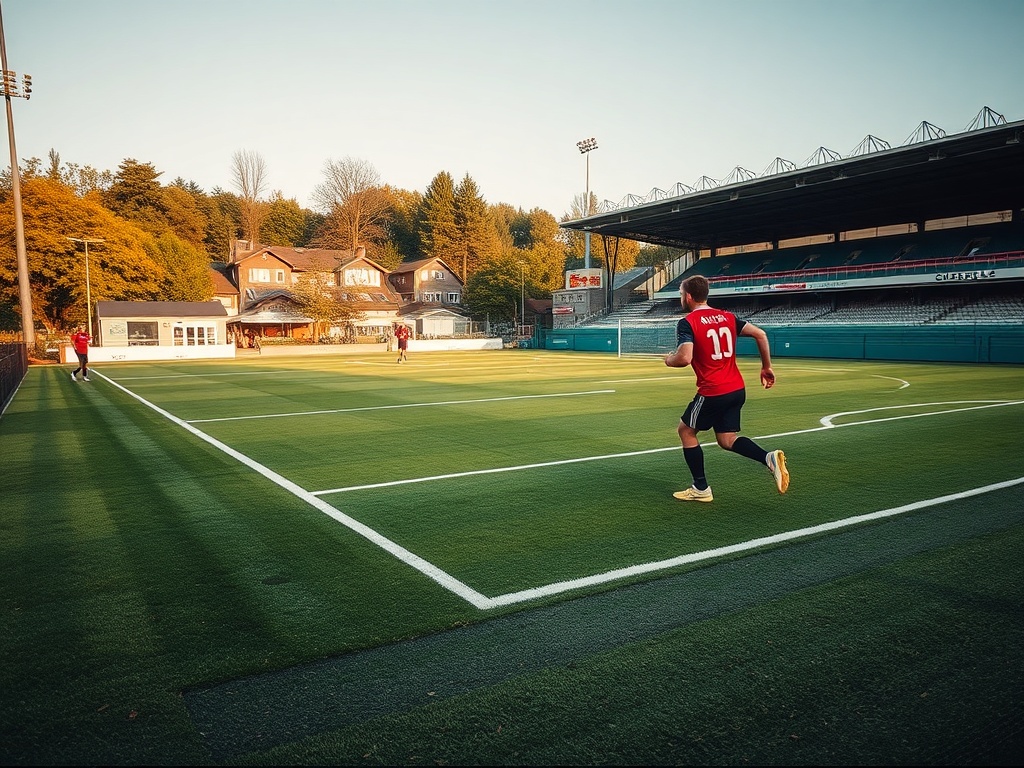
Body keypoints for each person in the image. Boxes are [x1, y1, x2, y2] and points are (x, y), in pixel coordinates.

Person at [664, 274, 789, 502]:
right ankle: (767, 458)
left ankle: (700, 489)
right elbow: (760, 334)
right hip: (736, 389)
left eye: (681, 294)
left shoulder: (688, 322)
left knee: (686, 431)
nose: (681, 298)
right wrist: (766, 367)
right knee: (727, 440)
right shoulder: (727, 317)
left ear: (689, 296)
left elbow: (684, 358)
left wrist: (669, 359)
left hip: (713, 391)